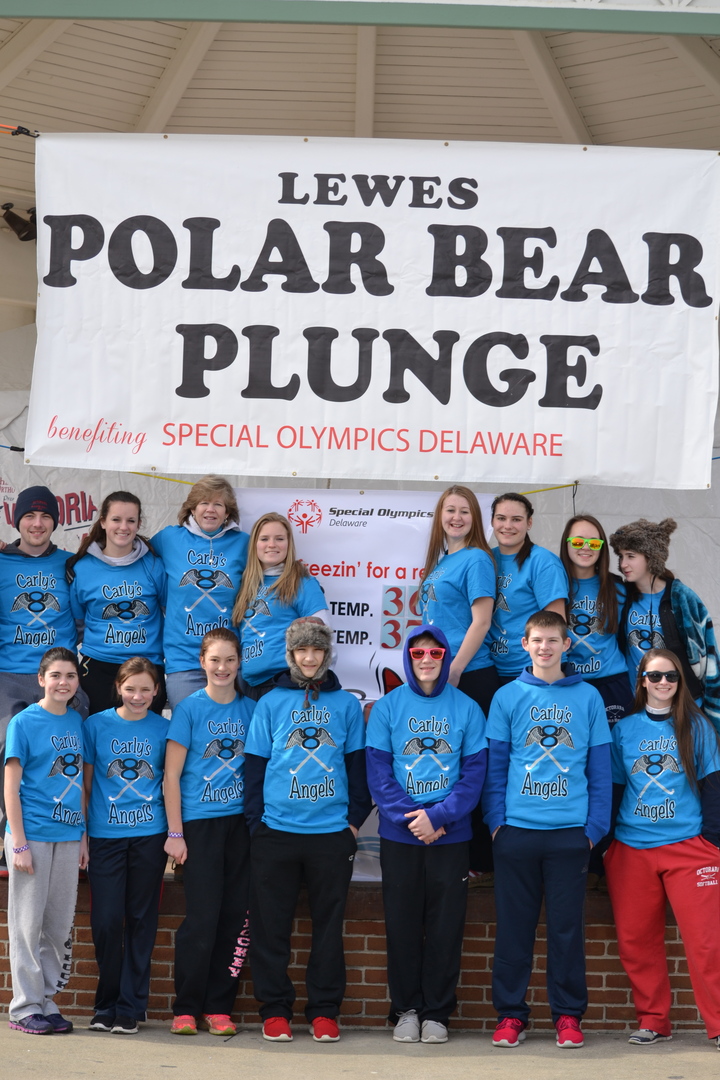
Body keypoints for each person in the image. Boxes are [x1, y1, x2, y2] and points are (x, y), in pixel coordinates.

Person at [482, 610, 611, 1049]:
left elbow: (599, 770)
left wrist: (593, 829)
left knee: (566, 931)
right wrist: (497, 824)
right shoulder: (506, 696)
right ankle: (511, 1015)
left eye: (553, 640)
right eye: (537, 640)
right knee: (514, 930)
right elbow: (495, 768)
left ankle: (569, 1016)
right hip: (516, 832)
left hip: (570, 835)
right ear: (525, 644)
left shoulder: (588, 697)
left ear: (566, 645)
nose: (545, 647)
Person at [244, 617, 371, 1043]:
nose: (310, 658)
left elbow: (358, 770)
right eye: (302, 650)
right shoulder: (271, 702)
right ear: (291, 654)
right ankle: (275, 1009)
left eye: (317, 650)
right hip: (276, 833)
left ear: (327, 653)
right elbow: (254, 770)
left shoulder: (347, 706)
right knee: (271, 926)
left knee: (328, 927)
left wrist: (351, 824)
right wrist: (257, 826)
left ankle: (324, 1011)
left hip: (331, 835)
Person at [365, 625, 487, 1044]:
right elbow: (379, 775)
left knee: (445, 927)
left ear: (446, 657)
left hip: (451, 838)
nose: (427, 660)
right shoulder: (387, 708)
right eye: (418, 654)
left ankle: (437, 1012)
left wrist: (440, 818)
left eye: (435, 653)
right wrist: (412, 819)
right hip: (401, 838)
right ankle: (406, 1010)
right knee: (401, 925)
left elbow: (474, 777)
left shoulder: (468, 708)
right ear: (408, 658)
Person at [605, 649, 720, 1049]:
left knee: (706, 942)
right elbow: (615, 788)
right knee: (637, 942)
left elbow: (715, 785)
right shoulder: (625, 730)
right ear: (642, 681)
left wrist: (710, 840)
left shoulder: (698, 726)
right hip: (632, 847)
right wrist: (606, 846)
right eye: (655, 676)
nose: (663, 683)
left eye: (671, 676)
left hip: (689, 847)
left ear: (679, 681)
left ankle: (719, 1025)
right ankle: (654, 1020)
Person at [164, 628, 255, 1036]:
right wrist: (176, 832)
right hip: (199, 824)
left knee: (236, 917)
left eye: (230, 660)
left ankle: (219, 1007)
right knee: (202, 918)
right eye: (214, 660)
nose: (222, 668)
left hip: (241, 827)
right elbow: (171, 776)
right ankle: (186, 1007)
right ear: (202, 662)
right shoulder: (189, 709)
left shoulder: (252, 710)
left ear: (239, 664)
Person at [0, 486, 88, 865]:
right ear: (16, 519)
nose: (37, 524)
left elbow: (89, 616)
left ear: (56, 521)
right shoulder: (1, 563)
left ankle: (73, 838)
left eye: (46, 517)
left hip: (61, 677)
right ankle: (11, 841)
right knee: (8, 753)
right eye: (30, 517)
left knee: (70, 753)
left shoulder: (71, 565)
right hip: (11, 675)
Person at [83, 657, 169, 1034]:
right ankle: (106, 1003)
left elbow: (171, 783)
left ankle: (130, 1008)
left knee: (140, 920)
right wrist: (84, 834)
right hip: (105, 836)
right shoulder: (95, 725)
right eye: (131, 688)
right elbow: (84, 786)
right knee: (106, 921)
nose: (138, 696)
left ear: (156, 691)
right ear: (118, 687)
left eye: (146, 689)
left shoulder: (164, 729)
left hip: (150, 835)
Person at [4, 647, 87, 1035]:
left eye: (70, 676)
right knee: (27, 923)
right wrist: (17, 842)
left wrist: (83, 835)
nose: (63, 682)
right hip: (32, 835)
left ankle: (48, 1000)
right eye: (55, 675)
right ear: (41, 680)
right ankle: (24, 1006)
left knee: (57, 925)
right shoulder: (23, 722)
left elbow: (81, 787)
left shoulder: (77, 723)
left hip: (69, 836)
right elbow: (11, 787)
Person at [609, 518, 720, 733]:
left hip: (682, 706)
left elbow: (709, 661)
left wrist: (712, 714)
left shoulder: (681, 598)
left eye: (631, 556)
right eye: (621, 556)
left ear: (652, 558)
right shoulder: (623, 596)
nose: (623, 564)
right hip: (638, 704)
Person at [153, 476, 249, 710]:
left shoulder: (244, 543)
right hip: (184, 660)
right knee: (189, 733)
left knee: (227, 732)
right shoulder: (168, 539)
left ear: (228, 512)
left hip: (229, 662)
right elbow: (135, 559)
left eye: (218, 504)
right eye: (204, 502)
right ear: (192, 508)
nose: (210, 509)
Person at [67, 492, 167, 714]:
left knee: (145, 742)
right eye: (116, 519)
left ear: (139, 524)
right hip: (100, 668)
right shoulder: (82, 569)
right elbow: (79, 623)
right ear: (102, 522)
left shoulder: (153, 566)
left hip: (147, 667)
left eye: (131, 520)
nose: (124, 527)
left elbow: (168, 611)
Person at [232, 512, 329, 699]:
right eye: (264, 538)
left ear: (288, 544)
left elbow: (325, 638)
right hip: (249, 685)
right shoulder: (246, 584)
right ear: (254, 545)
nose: (272, 544)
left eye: (279, 539)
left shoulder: (302, 583)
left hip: (286, 683)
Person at [418, 486, 498, 713]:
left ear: (475, 518)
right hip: (438, 670)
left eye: (465, 511)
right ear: (440, 516)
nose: (456, 517)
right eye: (450, 510)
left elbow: (481, 622)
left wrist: (454, 671)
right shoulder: (441, 562)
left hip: (468, 674)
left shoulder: (476, 558)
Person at [560, 514, 634, 726]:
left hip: (612, 682)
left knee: (614, 753)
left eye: (594, 542)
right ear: (566, 544)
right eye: (577, 541)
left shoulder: (618, 587)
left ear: (602, 547)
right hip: (568, 680)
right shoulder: (554, 584)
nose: (585, 547)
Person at [487, 493, 568, 684]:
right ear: (492, 521)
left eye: (516, 519)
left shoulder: (542, 562)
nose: (507, 526)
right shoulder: (486, 559)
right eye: (501, 518)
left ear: (529, 523)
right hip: (491, 668)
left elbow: (556, 624)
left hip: (533, 670)